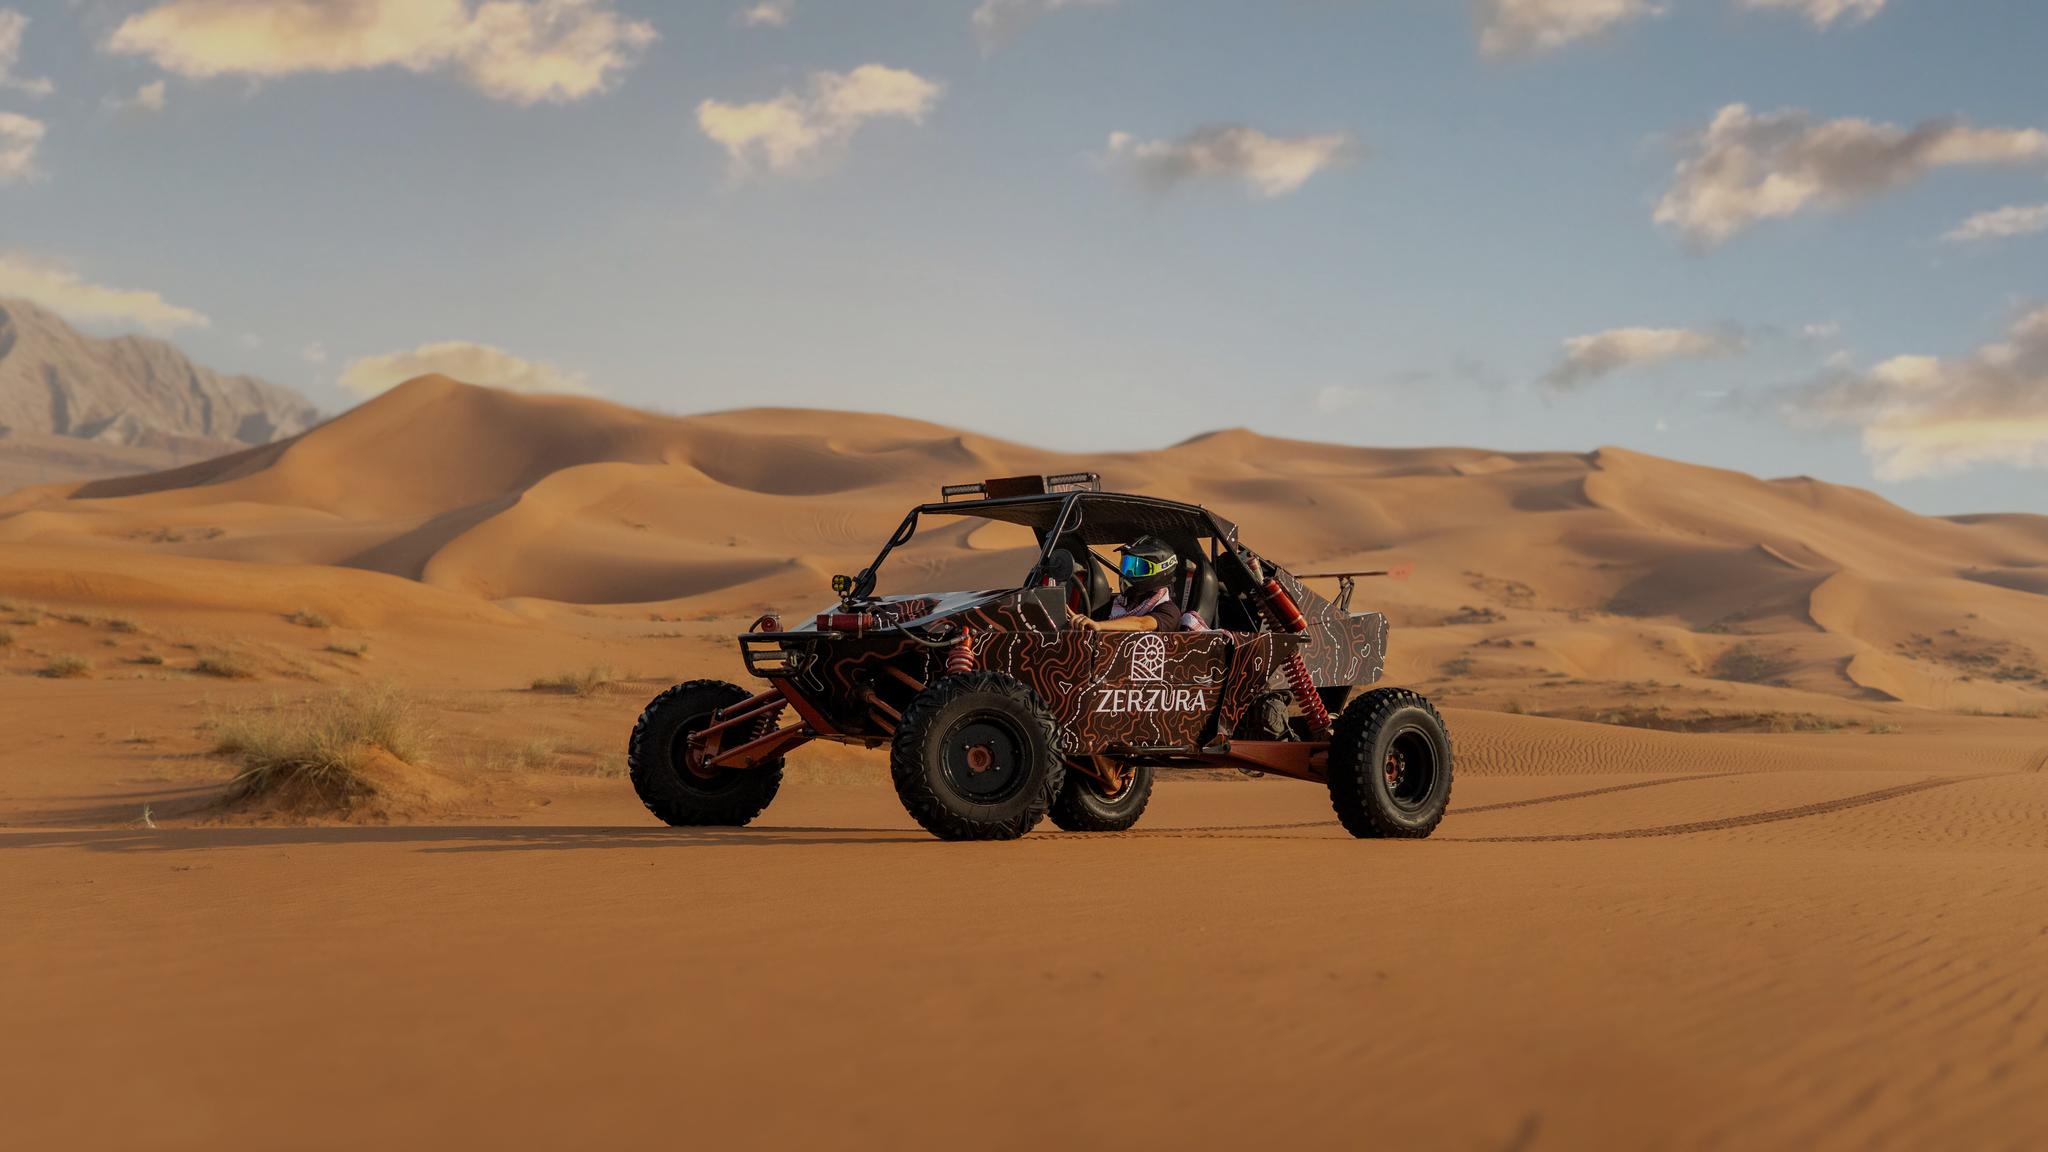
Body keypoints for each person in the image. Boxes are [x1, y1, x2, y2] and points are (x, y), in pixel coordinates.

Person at [1070, 535, 1185, 632]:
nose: (1129, 573)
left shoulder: (1168, 610)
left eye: (1138, 568)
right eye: (1126, 565)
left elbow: (1142, 624)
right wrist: (1075, 621)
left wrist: (1099, 625)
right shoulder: (1116, 604)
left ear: (1162, 571)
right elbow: (1089, 623)